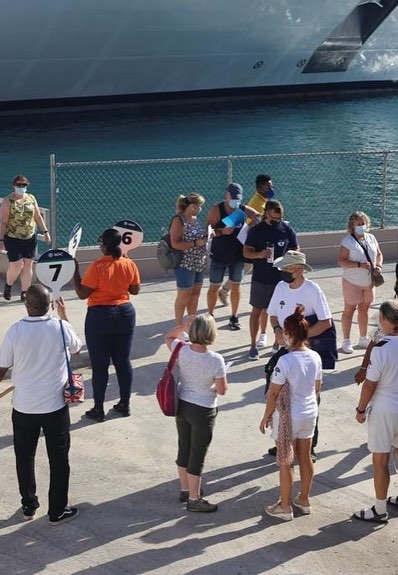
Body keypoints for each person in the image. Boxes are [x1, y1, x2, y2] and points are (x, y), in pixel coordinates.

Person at [0, 284, 81, 525]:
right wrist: (64, 316)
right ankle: (58, 510)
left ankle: (29, 505)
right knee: (59, 459)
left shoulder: (15, 331)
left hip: (23, 407)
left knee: (24, 457)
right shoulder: (61, 327)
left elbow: (0, 369)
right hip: (55, 407)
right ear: (50, 305)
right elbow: (76, 348)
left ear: (27, 306)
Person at [353, 299, 398, 523]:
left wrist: (361, 409)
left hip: (385, 410)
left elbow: (370, 384)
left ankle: (379, 508)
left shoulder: (381, 348)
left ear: (384, 319)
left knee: (380, 460)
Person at [268, 250, 333, 461]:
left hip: (306, 351)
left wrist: (301, 338)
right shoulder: (280, 287)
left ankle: (308, 446)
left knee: (311, 395)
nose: (283, 272)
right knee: (282, 394)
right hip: (286, 350)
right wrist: (278, 331)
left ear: (299, 270)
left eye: (287, 268)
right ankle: (283, 441)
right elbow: (273, 315)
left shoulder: (313, 290)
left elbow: (326, 322)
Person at [260, 306, 321, 521]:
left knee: (285, 461)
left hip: (289, 415)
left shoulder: (284, 361)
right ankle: (303, 500)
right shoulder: (315, 357)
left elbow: (273, 393)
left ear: (290, 334)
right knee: (305, 457)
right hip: (309, 413)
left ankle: (284, 506)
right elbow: (317, 387)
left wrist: (266, 416)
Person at [73, 228, 141, 422]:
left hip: (100, 316)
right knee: (123, 361)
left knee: (100, 365)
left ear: (103, 246)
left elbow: (82, 293)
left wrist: (75, 273)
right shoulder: (129, 263)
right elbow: (135, 290)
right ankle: (125, 404)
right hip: (125, 313)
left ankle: (98, 409)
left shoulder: (97, 266)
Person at [164, 314, 227, 513]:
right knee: (197, 454)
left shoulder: (181, 349)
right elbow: (222, 390)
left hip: (182, 404)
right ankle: (194, 498)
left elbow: (167, 337)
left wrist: (182, 325)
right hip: (204, 409)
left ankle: (184, 489)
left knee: (184, 447)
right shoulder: (216, 359)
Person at [244, 199, 298, 360]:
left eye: (279, 218)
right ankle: (253, 345)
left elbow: (295, 247)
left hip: (281, 279)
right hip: (261, 277)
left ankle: (278, 342)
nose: (277, 221)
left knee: (283, 312)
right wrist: (259, 255)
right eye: (274, 218)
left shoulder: (286, 228)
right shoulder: (256, 230)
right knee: (257, 311)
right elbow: (246, 252)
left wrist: (289, 258)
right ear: (266, 213)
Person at [205, 182, 258, 329]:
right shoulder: (216, 209)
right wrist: (222, 231)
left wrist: (253, 223)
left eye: (238, 198)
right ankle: (210, 316)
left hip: (237, 255)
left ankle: (234, 316)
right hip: (219, 254)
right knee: (214, 286)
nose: (235, 201)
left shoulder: (241, 208)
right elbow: (208, 231)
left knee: (236, 286)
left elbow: (257, 215)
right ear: (226, 195)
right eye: (233, 198)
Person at [217, 174, 274, 305]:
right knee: (245, 269)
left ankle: (225, 290)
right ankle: (224, 291)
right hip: (251, 242)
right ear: (260, 187)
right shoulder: (258, 203)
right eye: (268, 186)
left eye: (271, 186)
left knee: (246, 268)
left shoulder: (262, 200)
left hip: (252, 241)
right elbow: (254, 222)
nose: (271, 189)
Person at [0, 175, 52, 302]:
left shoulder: (31, 198)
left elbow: (38, 216)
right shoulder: (7, 201)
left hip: (30, 237)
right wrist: (0, 240)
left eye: (24, 185)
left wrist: (45, 232)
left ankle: (25, 292)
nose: (21, 187)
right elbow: (3, 222)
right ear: (14, 185)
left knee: (28, 265)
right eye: (18, 185)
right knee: (16, 265)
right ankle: (9, 285)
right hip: (13, 237)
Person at [339, 211, 383, 354]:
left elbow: (379, 254)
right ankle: (346, 340)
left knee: (364, 309)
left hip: (368, 282)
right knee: (349, 310)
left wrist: (378, 266)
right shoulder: (348, 241)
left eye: (363, 223)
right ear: (352, 226)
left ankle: (363, 338)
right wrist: (359, 265)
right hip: (352, 281)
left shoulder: (371, 238)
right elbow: (341, 261)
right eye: (358, 224)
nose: (361, 226)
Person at [168, 193, 208, 325]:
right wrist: (196, 243)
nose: (199, 208)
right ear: (191, 206)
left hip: (198, 263)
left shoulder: (194, 219)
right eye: (198, 206)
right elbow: (175, 243)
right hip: (185, 264)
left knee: (195, 294)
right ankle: (179, 325)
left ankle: (191, 323)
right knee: (184, 295)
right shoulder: (179, 220)